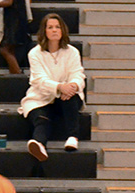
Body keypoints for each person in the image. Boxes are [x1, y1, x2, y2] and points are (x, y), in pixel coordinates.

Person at [18, 13, 85, 162]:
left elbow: (78, 75)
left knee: (70, 97)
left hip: (65, 97)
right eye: (50, 27)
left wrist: (72, 86)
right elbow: (38, 80)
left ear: (62, 30)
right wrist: (60, 86)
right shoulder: (35, 53)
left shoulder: (72, 52)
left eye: (57, 27)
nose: (54, 30)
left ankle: (72, 137)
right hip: (41, 97)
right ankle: (39, 144)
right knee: (42, 118)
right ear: (45, 31)